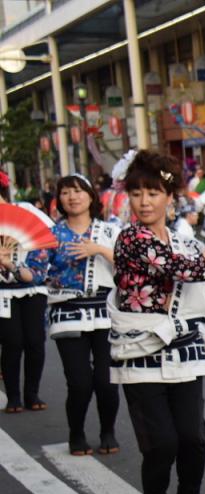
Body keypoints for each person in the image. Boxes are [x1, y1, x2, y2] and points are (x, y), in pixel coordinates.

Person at [108, 150, 205, 494]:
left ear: (170, 197)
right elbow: (187, 269)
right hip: (141, 350)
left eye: (153, 192)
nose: (144, 201)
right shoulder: (131, 238)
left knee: (192, 436)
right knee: (160, 441)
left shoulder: (184, 240)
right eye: (136, 193)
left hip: (185, 349)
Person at [46, 174, 121, 455]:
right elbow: (40, 271)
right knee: (79, 382)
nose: (73, 197)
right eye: (66, 192)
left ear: (91, 196)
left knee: (106, 379)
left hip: (105, 310)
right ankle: (76, 433)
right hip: (67, 310)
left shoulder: (110, 231)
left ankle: (107, 431)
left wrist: (98, 250)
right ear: (59, 199)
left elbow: (128, 268)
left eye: (78, 191)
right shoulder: (51, 234)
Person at [0, 176, 50, 414]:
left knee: (35, 341)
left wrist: (21, 243)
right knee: (12, 342)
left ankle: (32, 393)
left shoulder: (25, 210)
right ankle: (13, 396)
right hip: (2, 291)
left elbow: (46, 236)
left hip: (32, 284)